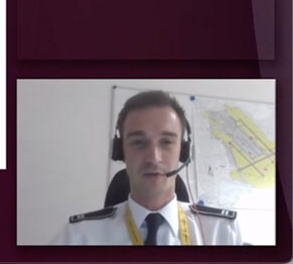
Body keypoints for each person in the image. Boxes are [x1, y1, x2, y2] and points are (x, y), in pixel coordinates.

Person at [52, 90, 242, 245]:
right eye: (138, 142)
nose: (153, 157)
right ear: (121, 151)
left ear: (183, 152)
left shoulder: (222, 233)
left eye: (166, 142)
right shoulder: (77, 237)